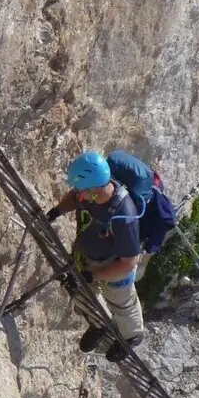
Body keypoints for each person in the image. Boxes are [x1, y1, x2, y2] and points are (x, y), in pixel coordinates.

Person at [46, 150, 145, 361]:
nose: (78, 194)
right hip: (89, 258)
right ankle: (99, 324)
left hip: (116, 268)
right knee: (79, 291)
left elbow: (128, 263)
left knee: (122, 304)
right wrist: (56, 211)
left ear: (96, 189)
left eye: (82, 191)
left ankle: (131, 338)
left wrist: (95, 274)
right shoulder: (88, 193)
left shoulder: (124, 216)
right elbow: (74, 198)